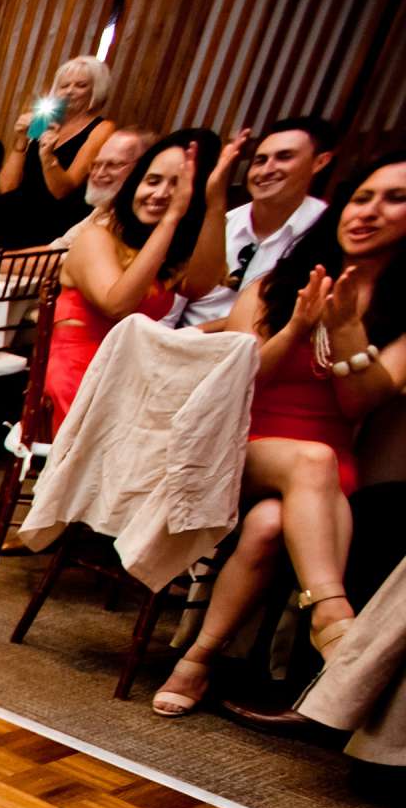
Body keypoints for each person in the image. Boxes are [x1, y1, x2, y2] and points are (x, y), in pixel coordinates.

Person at [152, 150, 406, 717]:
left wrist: (344, 332)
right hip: (241, 450)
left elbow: (363, 400)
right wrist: (297, 329)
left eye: (395, 199)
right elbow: (240, 382)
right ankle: (335, 620)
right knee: (311, 461)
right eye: (362, 197)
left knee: (270, 524)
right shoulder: (270, 287)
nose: (369, 211)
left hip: (329, 468)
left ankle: (197, 660)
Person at [44, 129, 236, 422]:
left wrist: (215, 205)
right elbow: (117, 305)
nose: (160, 194)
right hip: (78, 374)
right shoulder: (95, 238)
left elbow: (199, 286)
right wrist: (172, 218)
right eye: (153, 180)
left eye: (177, 185)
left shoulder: (162, 252)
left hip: (135, 372)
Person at [174, 116, 335, 328]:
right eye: (260, 160)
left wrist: (194, 334)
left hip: (254, 346)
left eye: (284, 157)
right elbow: (191, 290)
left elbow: (287, 314)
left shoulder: (326, 229)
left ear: (319, 162)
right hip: (185, 336)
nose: (267, 170)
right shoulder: (226, 220)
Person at [0, 55, 118, 248]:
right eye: (64, 86)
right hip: (16, 220)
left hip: (55, 226)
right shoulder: (44, 121)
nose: (69, 91)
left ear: (96, 90)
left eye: (80, 85)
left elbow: (63, 190)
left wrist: (47, 156)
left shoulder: (101, 129)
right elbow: (7, 186)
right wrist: (20, 139)